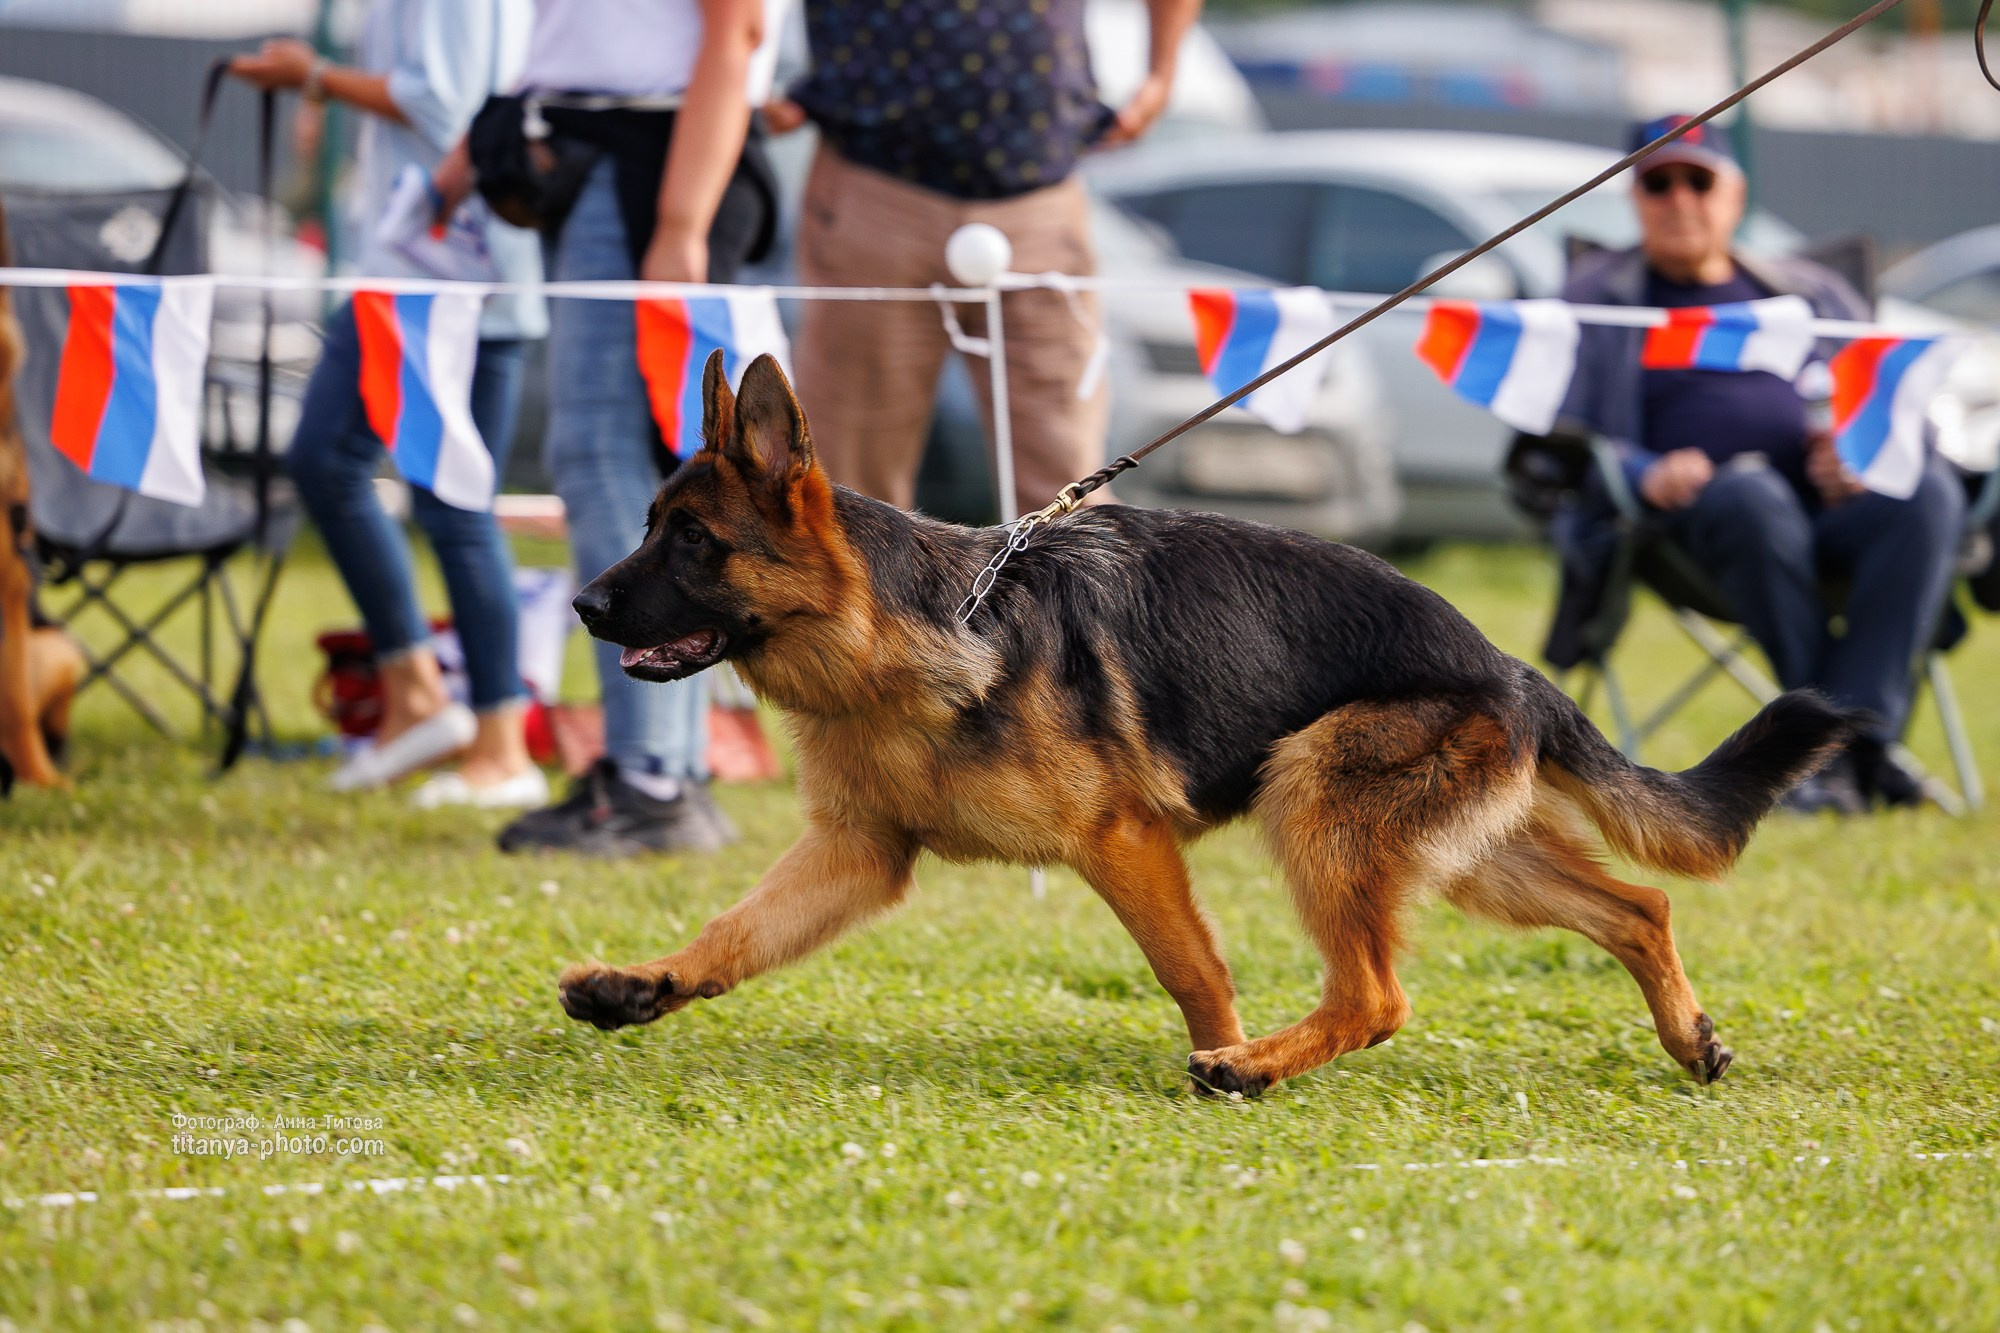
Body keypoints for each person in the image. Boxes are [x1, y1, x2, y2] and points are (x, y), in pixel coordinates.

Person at [1557, 115, 1966, 813]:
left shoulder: (1811, 292)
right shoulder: (1599, 296)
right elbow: (1562, 436)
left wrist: (1859, 455)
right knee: (1752, 492)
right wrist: (1645, 469)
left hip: (1828, 510)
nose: (1679, 199)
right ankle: (1846, 754)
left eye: (1698, 181)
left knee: (1926, 490)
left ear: (1735, 197)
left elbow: (1892, 410)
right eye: (1659, 183)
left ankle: (1847, 754)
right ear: (1634, 198)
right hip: (1693, 524)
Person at [471, 0, 782, 856]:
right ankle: (665, 770)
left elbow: (736, 28)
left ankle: (651, 780)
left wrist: (680, 224)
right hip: (622, 155)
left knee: (602, 454)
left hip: (653, 160)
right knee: (648, 466)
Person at [229, 1, 550, 809]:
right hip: (431, 267)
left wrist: (315, 77)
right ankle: (420, 702)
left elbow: (443, 105)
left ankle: (497, 744)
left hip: (447, 268)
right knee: (360, 472)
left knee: (420, 492)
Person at [769, 0, 1201, 520]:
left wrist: (1161, 75)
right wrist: (752, 70)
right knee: (853, 495)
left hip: (1040, 197)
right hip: (875, 190)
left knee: (1068, 497)